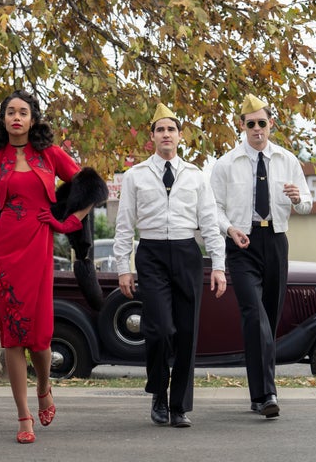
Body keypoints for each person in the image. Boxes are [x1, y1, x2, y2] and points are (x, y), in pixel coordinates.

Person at [0, 90, 106, 444]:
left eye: (23, 112)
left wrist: (69, 221)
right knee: (11, 337)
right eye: (10, 112)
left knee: (39, 337)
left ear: (33, 119)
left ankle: (45, 386)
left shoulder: (49, 155)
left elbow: (92, 187)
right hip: (3, 251)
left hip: (38, 244)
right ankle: (23, 416)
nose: (16, 117)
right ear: (3, 119)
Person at [113, 103, 227, 428]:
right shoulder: (135, 176)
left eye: (171, 129)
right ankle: (158, 394)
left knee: (187, 331)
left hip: (186, 252)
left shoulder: (195, 175)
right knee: (160, 329)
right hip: (150, 254)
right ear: (151, 137)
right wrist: (124, 266)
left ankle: (179, 406)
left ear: (179, 136)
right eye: (160, 129)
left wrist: (218, 265)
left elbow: (209, 223)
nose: (166, 134)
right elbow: (124, 225)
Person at [210, 94, 312, 418]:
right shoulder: (226, 164)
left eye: (262, 123)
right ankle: (268, 393)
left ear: (271, 124)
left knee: (268, 318)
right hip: (242, 244)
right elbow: (212, 208)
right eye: (250, 123)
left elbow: (307, 203)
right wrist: (229, 229)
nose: (257, 129)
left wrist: (298, 198)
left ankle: (258, 395)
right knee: (255, 316)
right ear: (241, 126)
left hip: (276, 240)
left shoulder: (287, 160)